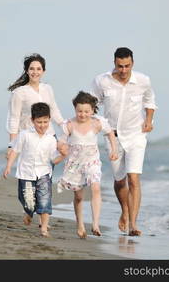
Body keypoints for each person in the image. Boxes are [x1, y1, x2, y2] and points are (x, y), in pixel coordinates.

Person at [92, 47, 158, 236]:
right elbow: (92, 104)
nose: (123, 70)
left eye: (127, 66)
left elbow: (150, 101)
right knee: (120, 181)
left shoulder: (143, 80)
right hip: (112, 137)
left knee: (134, 178)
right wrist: (94, 125)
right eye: (120, 66)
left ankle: (133, 225)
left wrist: (148, 120)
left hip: (136, 135)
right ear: (114, 63)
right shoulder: (102, 81)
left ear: (132, 63)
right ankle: (125, 212)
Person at [57, 91, 118, 239]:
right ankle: (80, 225)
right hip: (75, 164)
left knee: (96, 188)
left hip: (92, 162)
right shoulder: (69, 125)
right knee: (78, 197)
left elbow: (110, 133)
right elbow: (61, 142)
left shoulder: (97, 123)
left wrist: (114, 150)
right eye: (79, 111)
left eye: (86, 111)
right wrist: (62, 149)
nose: (83, 114)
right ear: (75, 110)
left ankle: (95, 224)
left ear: (92, 110)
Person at [3, 102, 66, 237]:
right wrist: (9, 166)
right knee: (28, 202)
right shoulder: (25, 135)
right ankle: (29, 212)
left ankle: (44, 228)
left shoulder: (51, 139)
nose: (42, 125)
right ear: (32, 120)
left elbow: (54, 160)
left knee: (45, 199)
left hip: (44, 173)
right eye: (39, 122)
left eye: (45, 122)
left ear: (49, 119)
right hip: (26, 173)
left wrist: (63, 155)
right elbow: (15, 151)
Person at [6, 53, 64, 157]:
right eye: (32, 69)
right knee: (32, 171)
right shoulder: (19, 93)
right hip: (29, 139)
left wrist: (65, 127)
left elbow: (54, 111)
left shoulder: (47, 88)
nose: (35, 72)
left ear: (43, 71)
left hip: (49, 136)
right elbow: (14, 119)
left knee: (48, 169)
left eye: (38, 69)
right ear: (27, 71)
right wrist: (11, 145)